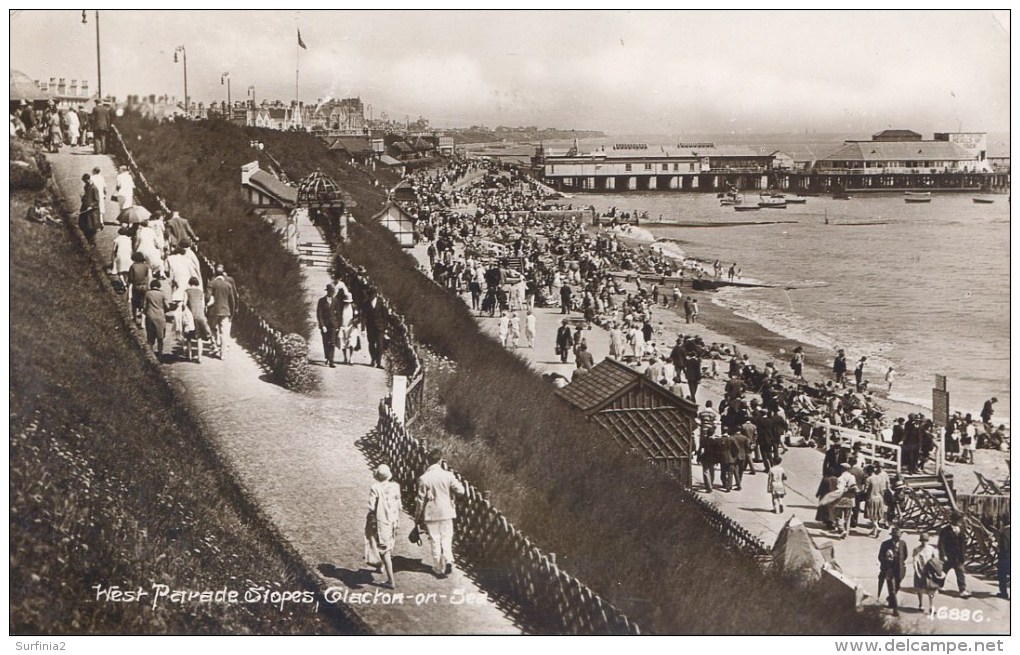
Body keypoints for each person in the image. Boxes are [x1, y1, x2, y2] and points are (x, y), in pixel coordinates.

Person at [414, 449, 465, 579]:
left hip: (431, 514)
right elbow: (461, 490)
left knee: (435, 539)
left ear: (428, 462)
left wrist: (417, 517)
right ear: (440, 460)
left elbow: (420, 501)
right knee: (447, 538)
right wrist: (453, 496)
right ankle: (448, 560)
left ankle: (437, 567)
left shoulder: (424, 478)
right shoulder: (448, 475)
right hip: (447, 511)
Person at [365, 464, 401, 590]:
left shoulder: (375, 487)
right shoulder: (396, 486)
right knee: (389, 544)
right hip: (393, 520)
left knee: (382, 548)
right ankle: (380, 566)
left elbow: (371, 507)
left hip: (381, 521)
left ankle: (391, 580)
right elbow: (399, 504)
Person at [878, 526, 909, 616]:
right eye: (895, 537)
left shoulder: (903, 543)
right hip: (889, 570)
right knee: (892, 589)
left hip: (899, 569)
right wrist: (887, 559)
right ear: (892, 536)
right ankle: (895, 609)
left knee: (897, 587)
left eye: (898, 537)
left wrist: (900, 562)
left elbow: (905, 555)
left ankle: (890, 599)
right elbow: (880, 557)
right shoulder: (885, 544)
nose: (897, 538)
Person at [207, 265, 237, 357]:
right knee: (223, 333)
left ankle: (214, 346)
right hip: (225, 311)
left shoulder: (211, 283)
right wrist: (231, 313)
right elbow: (232, 300)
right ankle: (223, 354)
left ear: (215, 274)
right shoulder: (228, 285)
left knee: (212, 328)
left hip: (214, 311)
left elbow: (207, 297)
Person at [938, 513, 969, 597]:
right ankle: (939, 586)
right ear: (953, 520)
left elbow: (963, 543)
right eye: (958, 520)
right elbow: (941, 544)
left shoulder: (961, 529)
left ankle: (962, 590)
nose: (960, 522)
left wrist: (963, 554)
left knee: (960, 572)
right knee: (943, 572)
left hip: (958, 556)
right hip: (948, 556)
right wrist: (943, 555)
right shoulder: (945, 530)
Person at [912, 532, 942, 613]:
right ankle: (921, 604)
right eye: (922, 540)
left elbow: (935, 560)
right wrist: (917, 571)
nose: (924, 542)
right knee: (920, 589)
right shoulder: (917, 549)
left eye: (925, 540)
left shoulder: (931, 549)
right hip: (920, 571)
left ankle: (931, 606)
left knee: (931, 589)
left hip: (929, 572)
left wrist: (937, 571)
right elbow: (915, 561)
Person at [184, 277, 212, 362]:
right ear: (197, 283)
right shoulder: (201, 292)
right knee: (199, 338)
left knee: (189, 337)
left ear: (189, 283)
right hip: (200, 316)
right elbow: (203, 305)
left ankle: (189, 356)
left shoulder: (187, 291)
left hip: (191, 317)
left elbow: (184, 304)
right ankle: (199, 357)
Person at [142, 280, 171, 357]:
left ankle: (150, 355)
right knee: (160, 338)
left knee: (150, 337)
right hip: (160, 317)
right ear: (159, 286)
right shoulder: (162, 294)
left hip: (150, 316)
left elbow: (144, 306)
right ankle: (160, 354)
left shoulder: (147, 293)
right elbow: (167, 306)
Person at [126, 252, 151, 327]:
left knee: (134, 303)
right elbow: (147, 276)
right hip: (144, 286)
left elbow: (130, 278)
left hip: (136, 286)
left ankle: (134, 318)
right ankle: (143, 323)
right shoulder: (146, 267)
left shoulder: (133, 266)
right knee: (143, 304)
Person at [78, 173, 101, 246]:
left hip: (91, 211)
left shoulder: (94, 188)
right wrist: (83, 197)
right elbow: (86, 197)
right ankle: (89, 240)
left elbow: (97, 201)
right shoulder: (86, 186)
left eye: (85, 181)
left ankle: (92, 242)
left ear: (88, 180)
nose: (85, 183)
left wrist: (91, 206)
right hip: (85, 208)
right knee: (81, 223)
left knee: (91, 227)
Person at [317, 284, 337, 367]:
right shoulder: (321, 301)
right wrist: (322, 325)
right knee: (325, 342)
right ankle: (327, 357)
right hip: (325, 324)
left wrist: (338, 325)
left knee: (332, 342)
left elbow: (338, 314)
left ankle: (331, 360)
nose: (332, 293)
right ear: (327, 291)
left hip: (333, 324)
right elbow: (319, 314)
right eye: (330, 291)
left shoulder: (335, 301)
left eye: (333, 291)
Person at [997, 514, 1010, 600]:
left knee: (1002, 573)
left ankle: (1003, 592)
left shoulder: (1004, 531)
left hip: (1005, 556)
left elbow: (1004, 546)